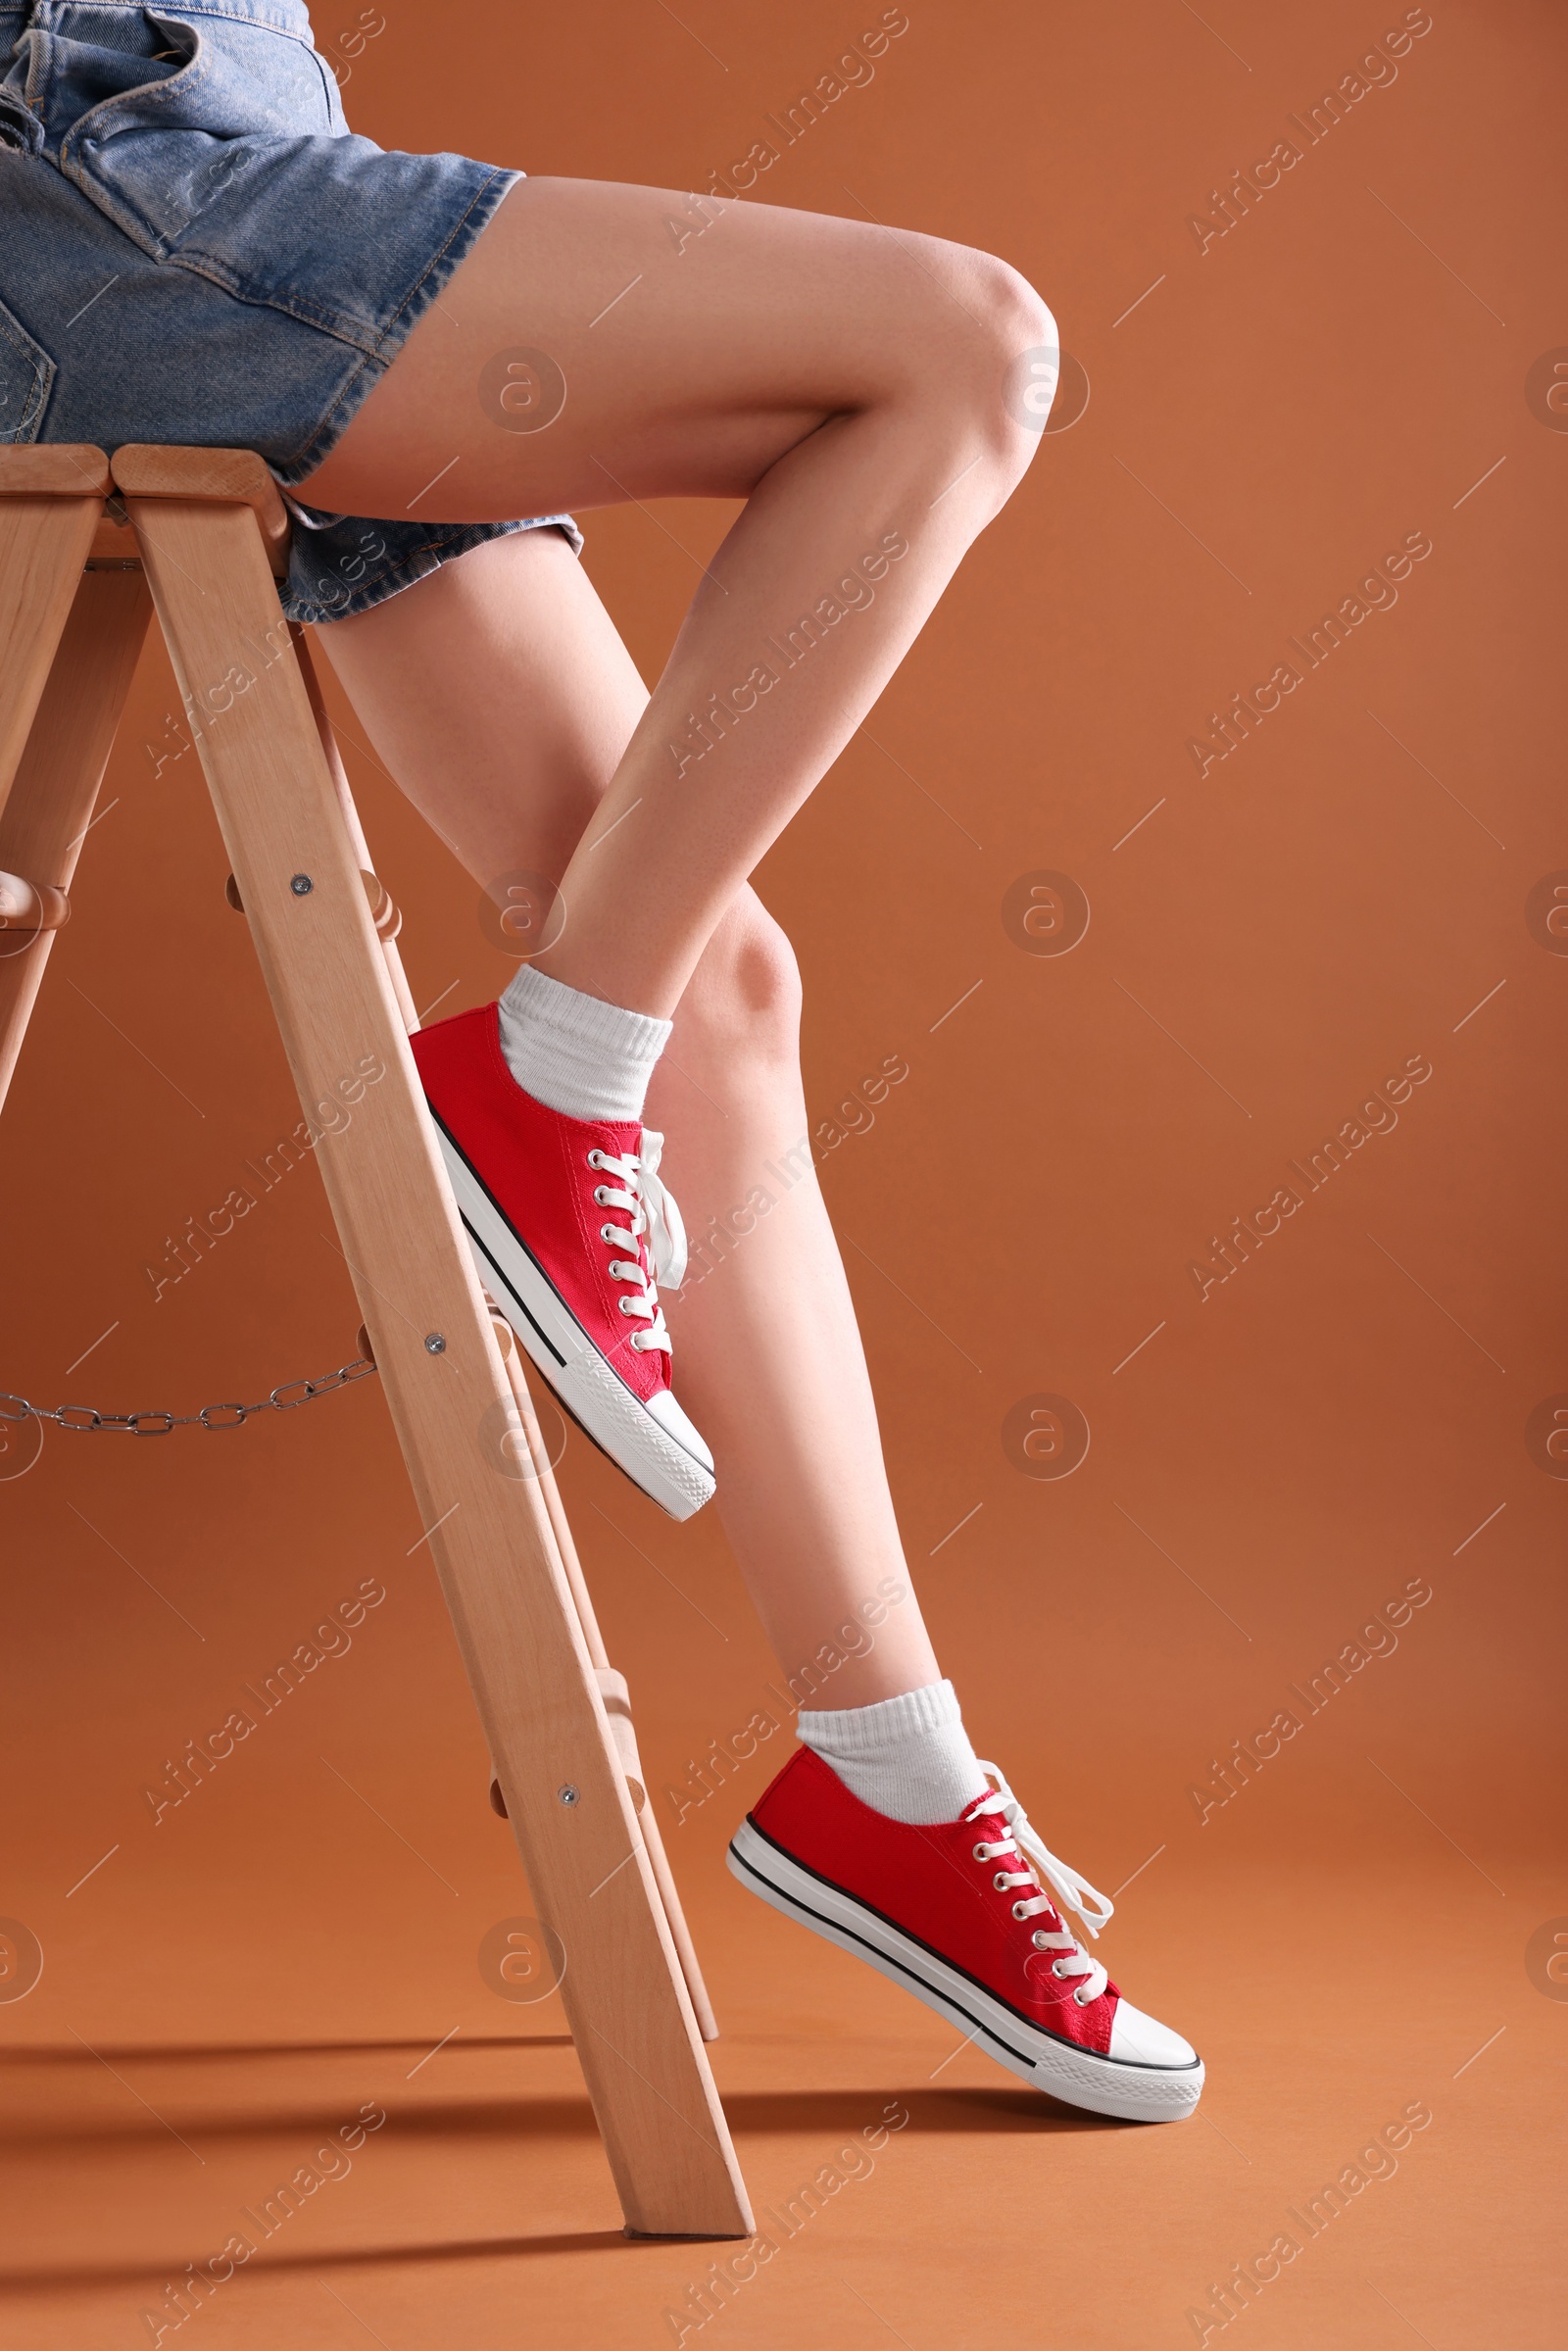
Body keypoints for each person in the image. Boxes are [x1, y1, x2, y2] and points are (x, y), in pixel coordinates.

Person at [2, 0, 1200, 2120]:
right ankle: (548, 1081)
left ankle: (886, 1779)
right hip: (107, 171)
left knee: (706, 970)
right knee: (956, 346)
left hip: (229, 155)